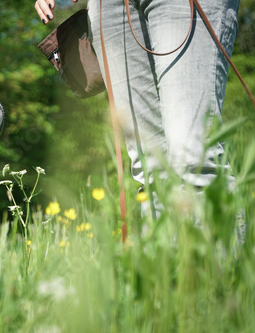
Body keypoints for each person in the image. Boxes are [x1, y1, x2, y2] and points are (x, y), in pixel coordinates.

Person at [34, 0, 241, 220]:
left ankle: (214, 252)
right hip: (110, 7)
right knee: (150, 169)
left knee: (193, 154)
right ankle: (165, 253)